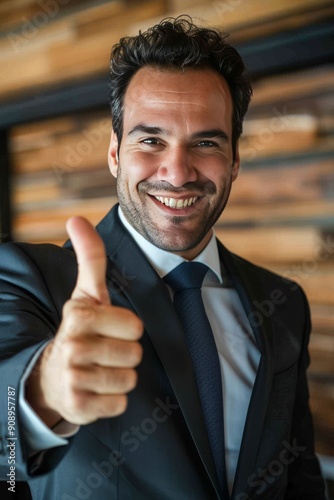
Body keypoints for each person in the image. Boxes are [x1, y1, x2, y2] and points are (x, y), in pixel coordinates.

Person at [0, 16, 326, 500]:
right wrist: (41, 393)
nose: (177, 173)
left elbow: (298, 474)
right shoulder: (28, 278)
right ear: (115, 154)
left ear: (234, 159)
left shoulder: (283, 301)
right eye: (151, 140)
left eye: (206, 142)